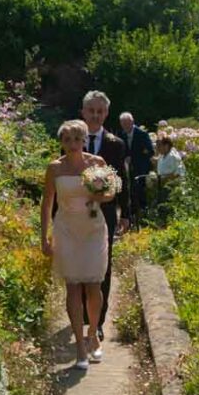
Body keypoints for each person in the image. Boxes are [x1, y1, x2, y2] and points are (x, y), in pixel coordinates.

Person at [41, 119, 115, 369]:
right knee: (72, 287)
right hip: (66, 229)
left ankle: (92, 333)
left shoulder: (97, 163)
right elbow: (47, 204)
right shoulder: (54, 168)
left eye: (77, 139)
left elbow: (110, 193)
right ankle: (81, 350)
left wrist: (99, 195)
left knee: (94, 286)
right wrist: (44, 236)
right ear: (61, 142)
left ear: (84, 139)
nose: (72, 144)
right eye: (67, 139)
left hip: (93, 228)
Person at [77, 89, 129, 340]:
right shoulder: (71, 140)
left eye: (100, 111)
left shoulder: (116, 145)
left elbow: (122, 181)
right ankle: (82, 315)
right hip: (75, 214)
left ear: (106, 113)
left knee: (102, 267)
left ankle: (97, 321)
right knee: (79, 265)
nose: (95, 116)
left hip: (105, 214)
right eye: (91, 111)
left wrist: (126, 213)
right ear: (83, 112)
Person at [119, 110, 154, 227]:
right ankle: (133, 217)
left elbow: (150, 151)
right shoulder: (122, 135)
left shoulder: (142, 134)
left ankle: (143, 216)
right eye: (123, 124)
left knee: (140, 192)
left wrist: (134, 157)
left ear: (132, 122)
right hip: (128, 168)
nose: (125, 126)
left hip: (141, 168)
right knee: (130, 192)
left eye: (127, 124)